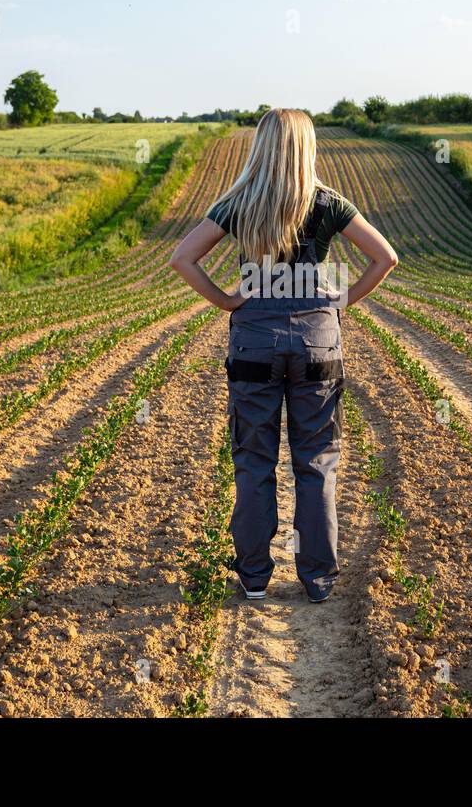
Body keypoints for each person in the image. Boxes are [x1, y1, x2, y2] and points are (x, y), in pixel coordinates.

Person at [169, 108, 397, 603]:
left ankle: (253, 579)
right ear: (307, 147)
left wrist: (228, 300)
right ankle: (317, 581)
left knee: (253, 461)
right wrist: (342, 299)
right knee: (316, 461)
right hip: (317, 341)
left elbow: (183, 258)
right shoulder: (328, 202)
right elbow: (386, 257)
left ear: (262, 147)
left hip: (253, 342)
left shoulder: (238, 202)